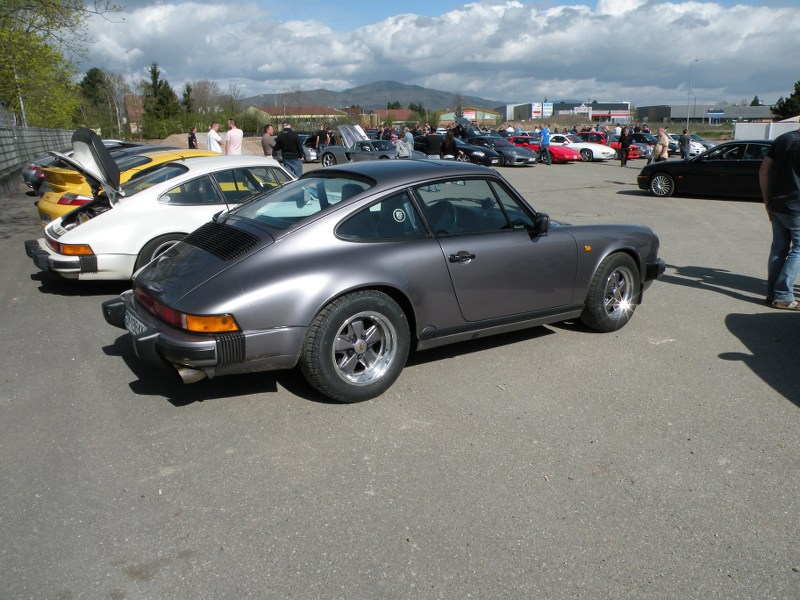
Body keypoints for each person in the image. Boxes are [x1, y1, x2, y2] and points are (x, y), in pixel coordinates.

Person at [759, 127, 800, 310]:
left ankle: (772, 293)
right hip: (797, 207)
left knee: (779, 248)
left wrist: (767, 201)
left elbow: (763, 171)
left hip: (777, 204)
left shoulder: (782, 139)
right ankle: (783, 295)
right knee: (798, 250)